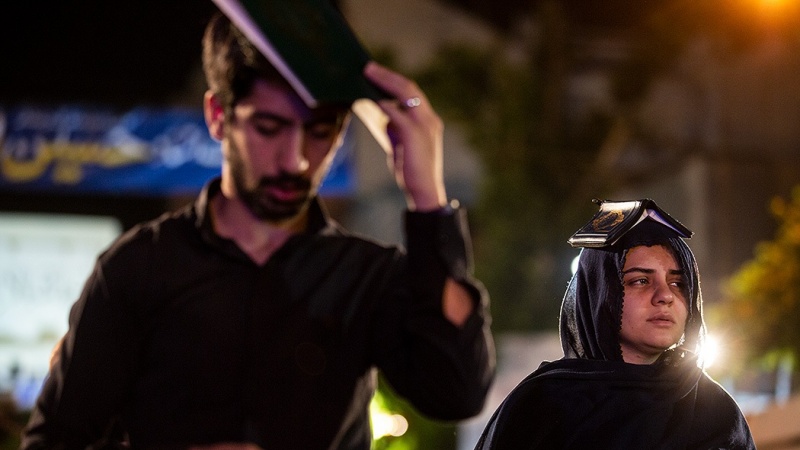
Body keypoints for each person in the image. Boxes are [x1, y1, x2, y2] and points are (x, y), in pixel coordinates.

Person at [20, 10, 494, 450]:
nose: (296, 160)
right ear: (218, 116)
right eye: (269, 127)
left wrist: (428, 198)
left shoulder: (366, 275)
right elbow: (53, 442)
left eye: (321, 132)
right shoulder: (139, 267)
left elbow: (458, 391)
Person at [474, 199, 755, 450]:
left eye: (678, 283)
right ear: (600, 292)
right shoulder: (543, 406)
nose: (665, 296)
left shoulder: (713, 410)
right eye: (640, 281)